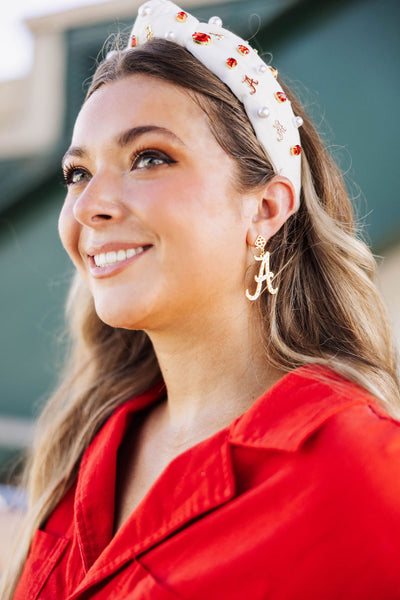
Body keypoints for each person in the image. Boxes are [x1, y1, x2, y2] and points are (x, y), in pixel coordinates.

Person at [2, 0, 400, 598]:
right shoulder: (85, 447)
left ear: (266, 207)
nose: (87, 207)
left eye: (149, 158)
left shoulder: (360, 467)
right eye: (78, 173)